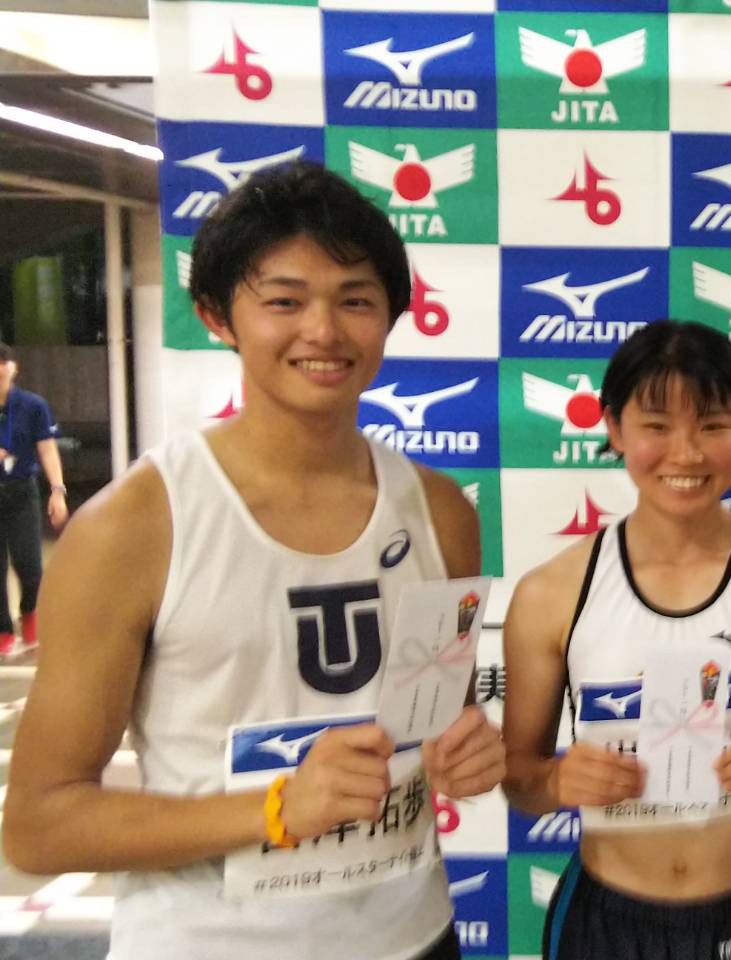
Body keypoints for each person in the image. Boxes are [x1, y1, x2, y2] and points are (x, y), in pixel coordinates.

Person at [1, 161, 506, 960]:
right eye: (284, 301)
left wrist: (466, 748)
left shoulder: (441, 511)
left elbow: (438, 719)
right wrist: (275, 808)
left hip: (416, 935)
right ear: (216, 315)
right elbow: (40, 825)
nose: (324, 331)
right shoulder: (135, 528)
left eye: (355, 300)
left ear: (391, 316)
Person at [500, 319, 731, 960]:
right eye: (656, 426)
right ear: (614, 428)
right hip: (605, 915)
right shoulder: (551, 592)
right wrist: (558, 780)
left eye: (712, 425)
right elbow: (520, 779)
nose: (686, 454)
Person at [0, 342, 70, 655]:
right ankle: (2, 628)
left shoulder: (33, 405)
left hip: (22, 489)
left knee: (29, 562)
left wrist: (57, 490)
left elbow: (47, 449)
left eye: (4, 364)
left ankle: (30, 611)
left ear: (14, 368)